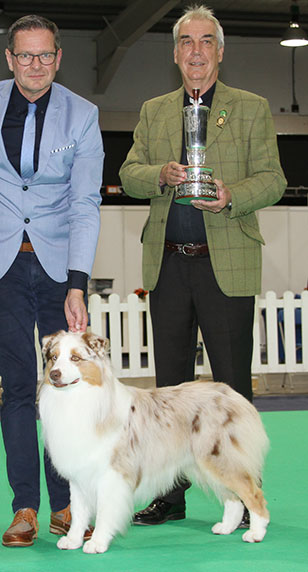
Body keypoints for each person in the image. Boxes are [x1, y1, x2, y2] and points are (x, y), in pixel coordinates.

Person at [119, 5, 286, 526]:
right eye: (186, 42)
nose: (196, 51)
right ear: (175, 54)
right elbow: (128, 173)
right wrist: (161, 175)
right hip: (167, 268)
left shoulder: (252, 107)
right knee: (169, 392)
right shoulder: (153, 110)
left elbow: (274, 179)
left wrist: (233, 195)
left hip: (226, 265)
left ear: (220, 51)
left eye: (206, 41)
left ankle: (243, 490)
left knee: (232, 384)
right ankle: (171, 496)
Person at [0, 15, 103, 547]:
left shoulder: (83, 115)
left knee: (65, 391)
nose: (35, 66)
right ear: (9, 58)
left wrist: (78, 282)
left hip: (59, 269)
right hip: (1, 266)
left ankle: (65, 504)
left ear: (58, 58)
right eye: (25, 56)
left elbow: (85, 202)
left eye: (45, 56)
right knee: (15, 387)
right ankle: (25, 508)